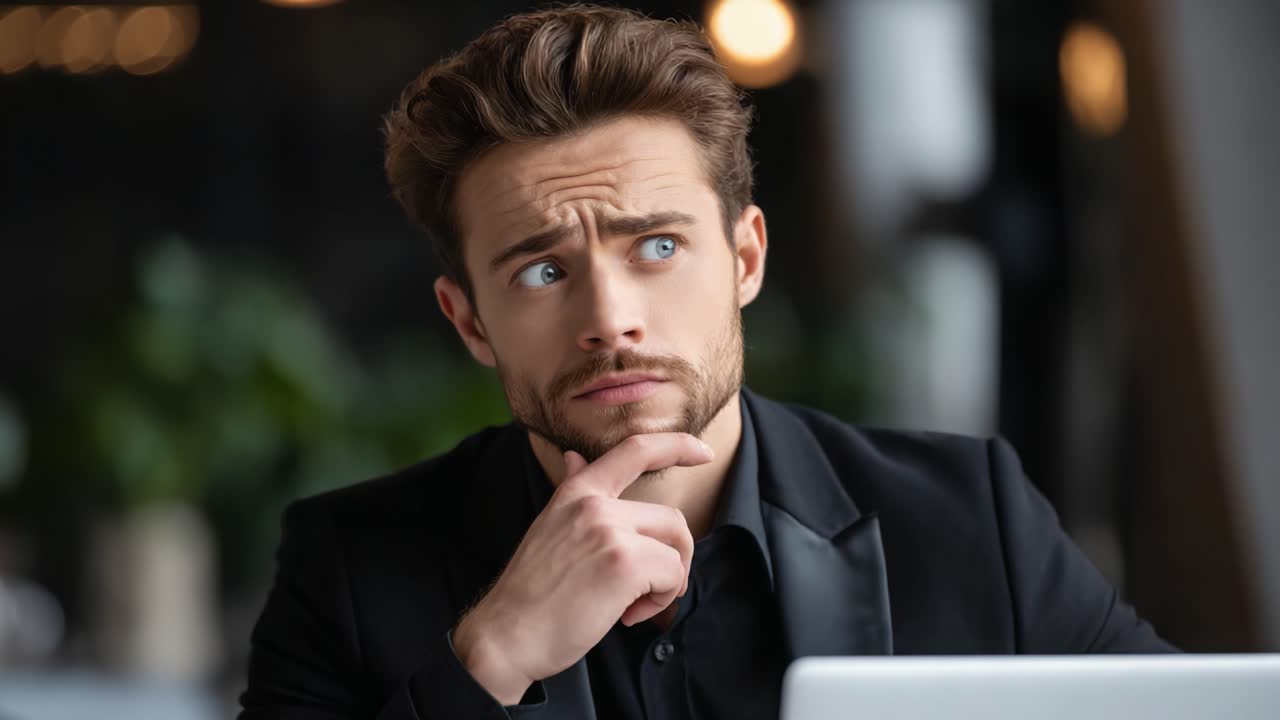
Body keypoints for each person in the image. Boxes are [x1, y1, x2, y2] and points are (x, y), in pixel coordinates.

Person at [238, 5, 1174, 719]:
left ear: (745, 259)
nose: (610, 321)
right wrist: (491, 660)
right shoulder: (347, 569)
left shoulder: (971, 522)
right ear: (469, 321)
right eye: (543, 271)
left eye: (656, 247)